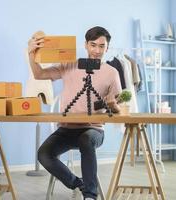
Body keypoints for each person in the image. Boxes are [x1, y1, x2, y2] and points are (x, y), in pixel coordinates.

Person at [28, 26, 122, 200]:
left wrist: (113, 106)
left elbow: (117, 106)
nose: (97, 50)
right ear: (85, 45)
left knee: (86, 140)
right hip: (66, 129)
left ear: (107, 48)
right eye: (93, 45)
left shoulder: (112, 73)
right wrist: (31, 54)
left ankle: (90, 195)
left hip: (93, 130)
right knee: (44, 154)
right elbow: (39, 74)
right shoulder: (70, 64)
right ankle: (78, 184)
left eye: (102, 46)